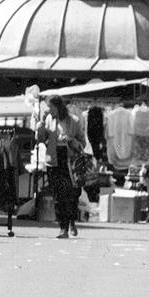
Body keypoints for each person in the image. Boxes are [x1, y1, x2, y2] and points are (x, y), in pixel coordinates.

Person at [36, 95, 87, 239]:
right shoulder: (48, 120)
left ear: (58, 106)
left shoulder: (74, 121)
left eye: (51, 107)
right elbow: (40, 139)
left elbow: (82, 143)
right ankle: (62, 227)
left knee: (71, 194)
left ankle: (71, 221)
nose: (49, 110)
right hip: (53, 158)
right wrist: (40, 124)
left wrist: (71, 140)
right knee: (58, 195)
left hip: (69, 159)